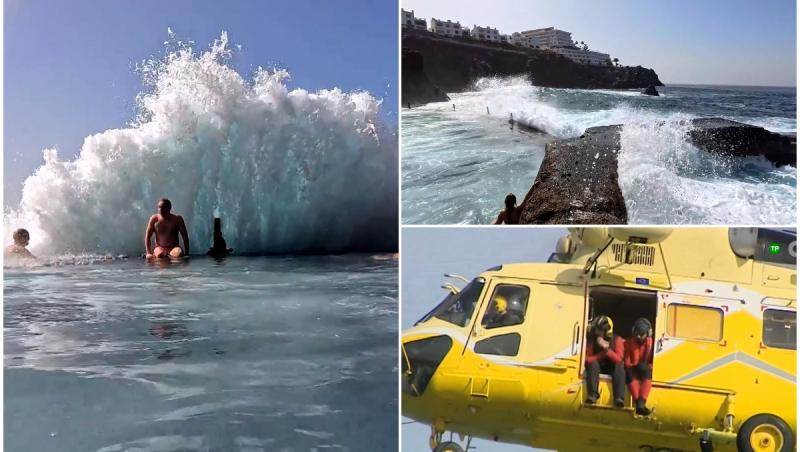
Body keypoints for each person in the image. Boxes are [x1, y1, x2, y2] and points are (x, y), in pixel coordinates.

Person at [584, 315, 625, 407]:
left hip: (612, 369)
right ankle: (592, 395)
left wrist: (607, 350)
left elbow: (619, 359)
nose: (597, 332)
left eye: (599, 330)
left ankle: (619, 398)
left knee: (619, 366)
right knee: (592, 364)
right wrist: (602, 354)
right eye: (596, 329)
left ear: (607, 331)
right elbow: (587, 359)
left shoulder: (617, 340)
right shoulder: (592, 340)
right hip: (597, 368)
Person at [625, 318, 654, 415]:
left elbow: (654, 361)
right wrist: (635, 365)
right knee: (628, 373)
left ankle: (641, 402)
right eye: (637, 333)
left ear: (647, 334)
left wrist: (647, 366)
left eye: (641, 334)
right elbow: (627, 362)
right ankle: (639, 404)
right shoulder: (628, 343)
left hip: (645, 369)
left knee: (646, 370)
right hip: (633, 368)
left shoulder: (652, 345)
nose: (638, 336)